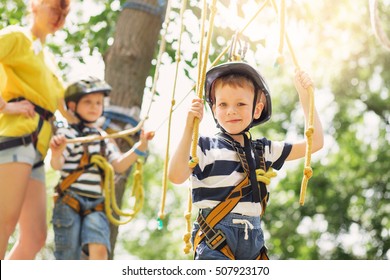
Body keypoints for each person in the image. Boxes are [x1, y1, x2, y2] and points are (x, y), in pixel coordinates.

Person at [168, 61, 324, 260]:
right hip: (215, 241)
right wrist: (189, 128)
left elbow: (315, 142)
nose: (231, 110)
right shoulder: (204, 147)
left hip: (253, 243)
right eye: (223, 104)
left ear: (256, 110)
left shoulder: (263, 150)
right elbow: (175, 175)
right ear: (214, 109)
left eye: (240, 104)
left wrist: (305, 96)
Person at [49, 77, 154, 260]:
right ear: (73, 106)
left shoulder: (102, 137)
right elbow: (57, 165)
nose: (94, 107)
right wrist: (56, 152)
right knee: (68, 255)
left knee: (100, 252)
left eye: (98, 103)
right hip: (69, 201)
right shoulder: (68, 134)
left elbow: (119, 164)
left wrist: (141, 146)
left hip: (95, 203)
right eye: (87, 102)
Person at [0, 0, 71, 259]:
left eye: (64, 12)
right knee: (3, 225)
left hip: (38, 150)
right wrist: (5, 106)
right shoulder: (18, 37)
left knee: (34, 238)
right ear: (35, 6)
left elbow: (67, 108)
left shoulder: (49, 60)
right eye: (54, 7)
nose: (59, 15)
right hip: (15, 138)